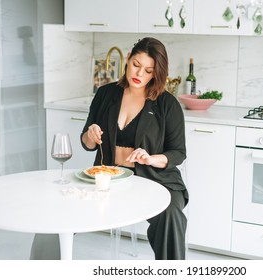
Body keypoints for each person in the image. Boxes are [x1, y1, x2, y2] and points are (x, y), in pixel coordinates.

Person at [80, 37, 188, 260]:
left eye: (148, 71)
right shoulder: (105, 94)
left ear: (156, 73)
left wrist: (152, 158)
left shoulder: (167, 104)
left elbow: (178, 152)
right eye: (136, 65)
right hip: (109, 179)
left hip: (156, 178)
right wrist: (90, 135)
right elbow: (86, 143)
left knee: (170, 214)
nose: (140, 74)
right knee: (59, 204)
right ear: (128, 59)